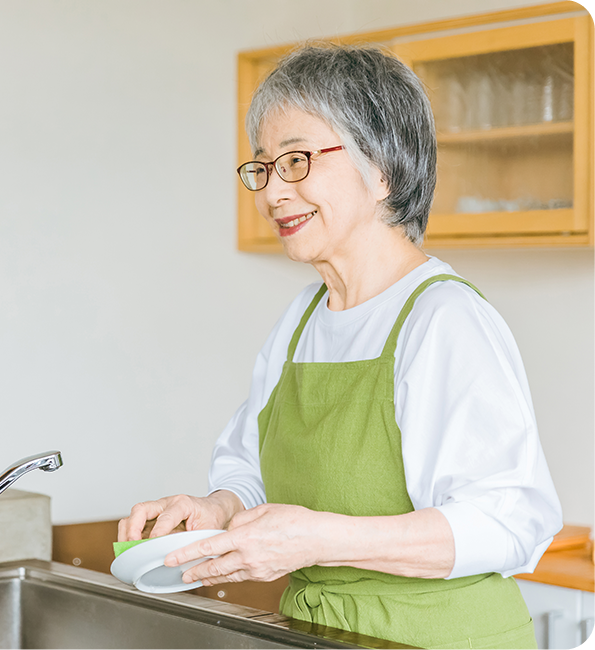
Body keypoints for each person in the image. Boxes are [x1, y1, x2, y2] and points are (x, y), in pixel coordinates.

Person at [118, 42, 562, 649]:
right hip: (319, 630)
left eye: (297, 161)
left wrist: (320, 539)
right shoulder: (302, 317)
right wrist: (219, 507)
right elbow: (253, 470)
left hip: (437, 638)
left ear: (381, 169)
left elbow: (509, 522)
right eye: (264, 167)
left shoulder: (443, 318)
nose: (273, 192)